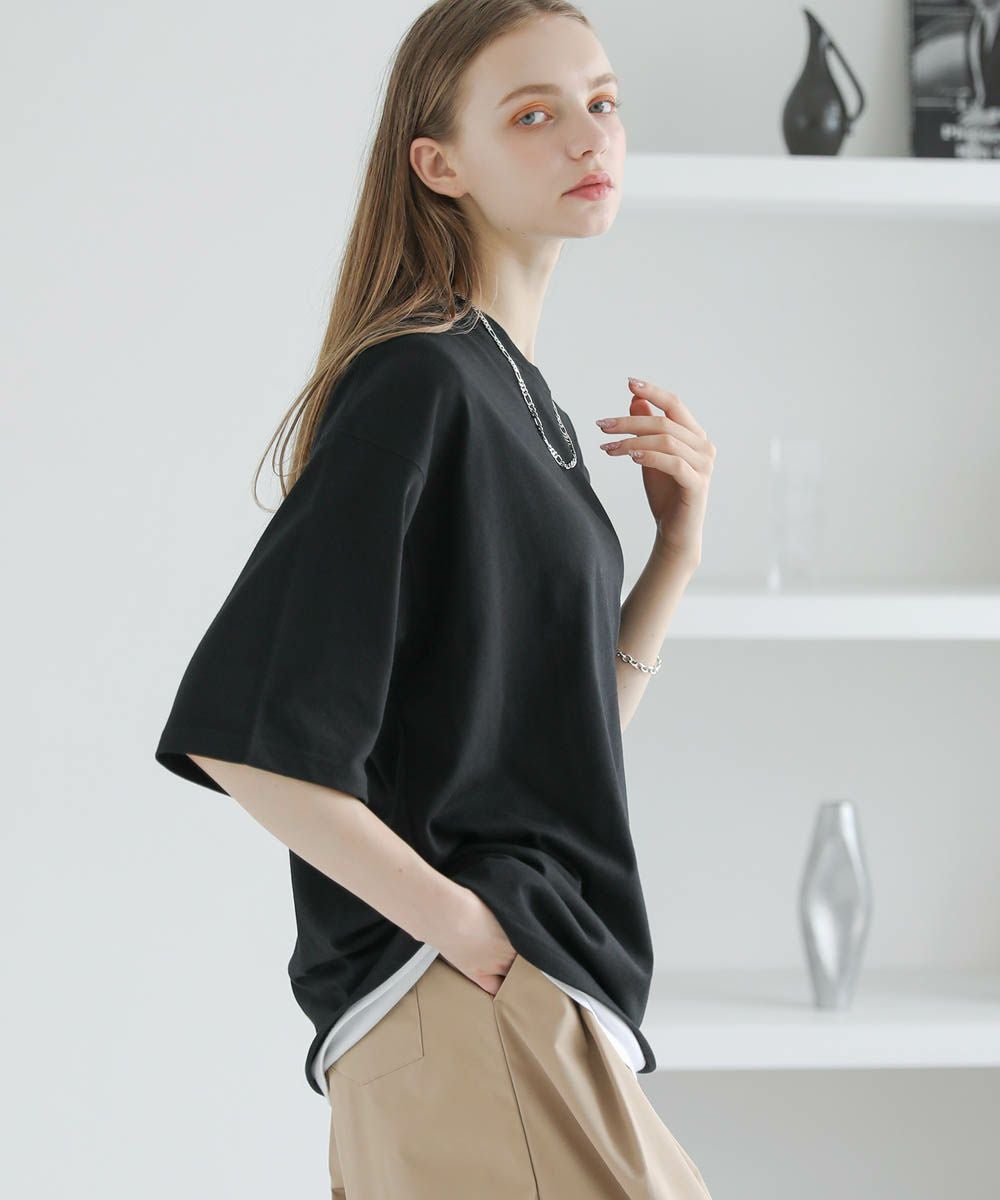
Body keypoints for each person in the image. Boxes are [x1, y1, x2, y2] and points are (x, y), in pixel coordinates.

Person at [154, 1, 716, 1195]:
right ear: (438, 163)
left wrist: (674, 553)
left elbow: (554, 749)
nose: (588, 135)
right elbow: (247, 737)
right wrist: (470, 937)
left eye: (601, 102)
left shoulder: (514, 394)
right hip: (469, 1000)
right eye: (533, 114)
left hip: (515, 994)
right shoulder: (422, 380)